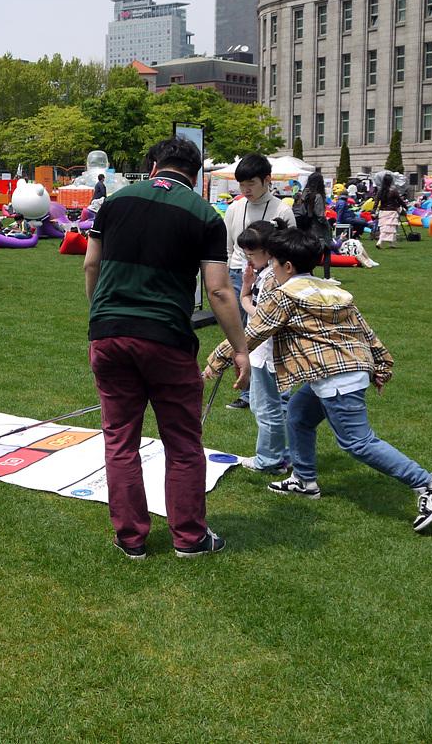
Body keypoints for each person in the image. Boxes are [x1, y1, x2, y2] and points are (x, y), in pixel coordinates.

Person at [205, 228, 432, 532]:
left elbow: (252, 332)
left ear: (288, 266)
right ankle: (304, 480)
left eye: (274, 263)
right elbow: (366, 331)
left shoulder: (286, 295)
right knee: (298, 415)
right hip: (344, 371)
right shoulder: (331, 289)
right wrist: (382, 365)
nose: (271, 268)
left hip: (336, 378)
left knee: (358, 442)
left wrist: (215, 362)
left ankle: (430, 486)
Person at [84, 136, 250, 559]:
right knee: (182, 442)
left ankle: (130, 537)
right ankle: (189, 537)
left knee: (120, 439)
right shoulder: (204, 214)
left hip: (109, 332)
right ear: (194, 176)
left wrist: (100, 313)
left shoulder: (114, 203)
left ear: (154, 166)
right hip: (166, 337)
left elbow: (91, 264)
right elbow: (219, 290)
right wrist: (240, 348)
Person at [223, 153, 295, 409]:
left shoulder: (282, 210)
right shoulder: (235, 208)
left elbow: (289, 250)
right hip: (239, 275)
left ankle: (280, 393)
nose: (246, 190)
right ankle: (248, 392)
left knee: (273, 335)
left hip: (273, 279)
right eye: (242, 184)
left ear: (267, 180)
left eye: (251, 183)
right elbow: (228, 248)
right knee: (242, 335)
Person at [235, 219, 290, 475]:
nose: (248, 259)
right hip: (264, 350)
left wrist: (245, 294)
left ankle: (270, 459)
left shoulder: (271, 278)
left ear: (268, 252)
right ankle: (280, 455)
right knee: (266, 406)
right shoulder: (268, 273)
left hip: (267, 352)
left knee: (267, 408)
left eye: (251, 254)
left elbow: (261, 316)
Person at [293, 172, 333, 278]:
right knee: (326, 251)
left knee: (310, 252)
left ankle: (309, 274)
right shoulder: (318, 196)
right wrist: (328, 224)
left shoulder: (304, 194)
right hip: (318, 228)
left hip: (306, 226)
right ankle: (327, 276)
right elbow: (320, 215)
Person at [374, 174, 405, 249]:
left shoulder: (380, 191)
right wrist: (405, 206)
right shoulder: (393, 191)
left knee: (384, 227)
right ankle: (382, 241)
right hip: (392, 211)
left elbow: (376, 202)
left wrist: (373, 210)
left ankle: (391, 243)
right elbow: (399, 200)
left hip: (383, 211)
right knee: (392, 227)